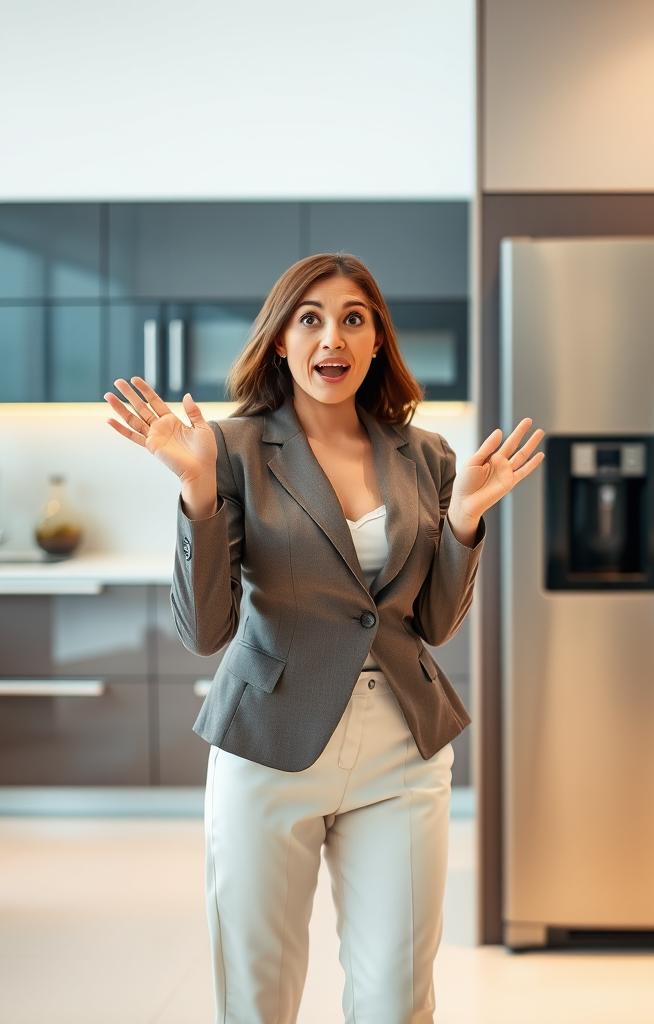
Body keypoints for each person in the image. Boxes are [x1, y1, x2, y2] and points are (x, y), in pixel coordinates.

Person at [102, 251, 544, 1024]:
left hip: (402, 748)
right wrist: (197, 490)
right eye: (310, 319)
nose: (330, 339)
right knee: (258, 991)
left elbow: (434, 623)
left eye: (352, 320)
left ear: (377, 342)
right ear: (280, 340)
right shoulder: (230, 450)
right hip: (269, 742)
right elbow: (206, 631)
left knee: (396, 999)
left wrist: (466, 520)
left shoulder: (428, 457)